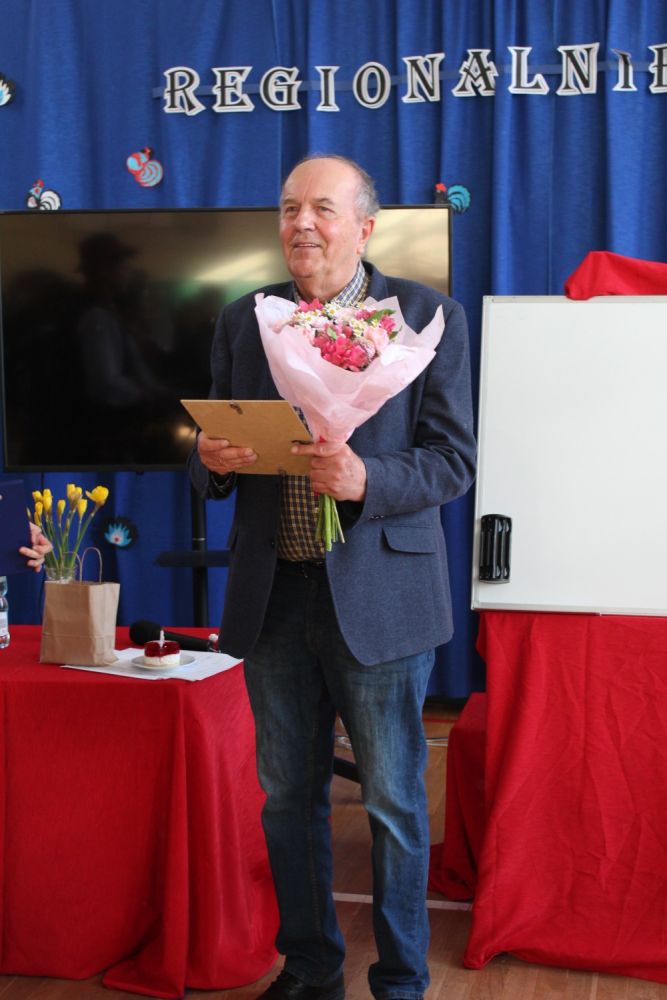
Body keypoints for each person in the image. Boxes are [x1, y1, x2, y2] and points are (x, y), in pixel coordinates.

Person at [187, 154, 476, 1000]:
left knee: (391, 803)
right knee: (286, 799)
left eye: (320, 208)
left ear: (364, 227)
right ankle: (310, 970)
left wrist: (365, 480)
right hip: (273, 596)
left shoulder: (425, 317)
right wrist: (209, 459)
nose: (300, 224)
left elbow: (452, 461)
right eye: (287, 209)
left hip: (382, 599)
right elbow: (211, 453)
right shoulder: (245, 319)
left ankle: (401, 980)